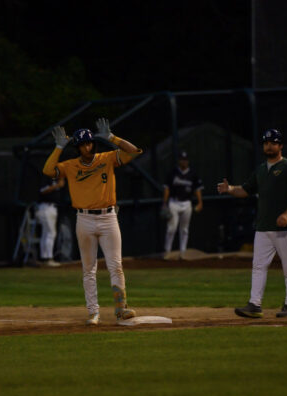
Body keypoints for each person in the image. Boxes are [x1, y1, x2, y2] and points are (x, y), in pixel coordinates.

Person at [44, 118, 142, 325]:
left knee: (115, 265)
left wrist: (112, 138)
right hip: (84, 218)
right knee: (89, 269)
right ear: (78, 147)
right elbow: (48, 170)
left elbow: (133, 152)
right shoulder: (71, 166)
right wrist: (58, 147)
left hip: (108, 217)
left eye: (88, 143)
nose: (86, 147)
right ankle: (93, 312)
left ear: (93, 143)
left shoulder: (106, 158)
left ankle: (120, 309)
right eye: (82, 144)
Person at [217, 128, 287, 318]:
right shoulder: (261, 169)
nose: (269, 146)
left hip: (285, 228)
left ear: (280, 146)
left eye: (273, 142)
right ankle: (254, 305)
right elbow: (246, 190)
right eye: (266, 143)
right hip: (264, 226)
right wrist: (230, 188)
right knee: (258, 266)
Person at [161, 150, 203, 258]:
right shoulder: (172, 173)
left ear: (188, 161)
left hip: (187, 203)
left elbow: (197, 189)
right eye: (182, 160)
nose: (184, 162)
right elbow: (167, 189)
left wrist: (200, 202)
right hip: (174, 202)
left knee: (184, 229)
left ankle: (183, 252)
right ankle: (167, 251)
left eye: (185, 160)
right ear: (179, 161)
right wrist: (165, 203)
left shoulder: (193, 174)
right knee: (172, 228)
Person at [35, 175, 66, 267]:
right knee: (50, 233)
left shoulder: (59, 184)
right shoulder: (48, 179)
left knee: (46, 233)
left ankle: (44, 257)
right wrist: (57, 186)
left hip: (52, 208)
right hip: (46, 208)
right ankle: (48, 258)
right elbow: (42, 191)